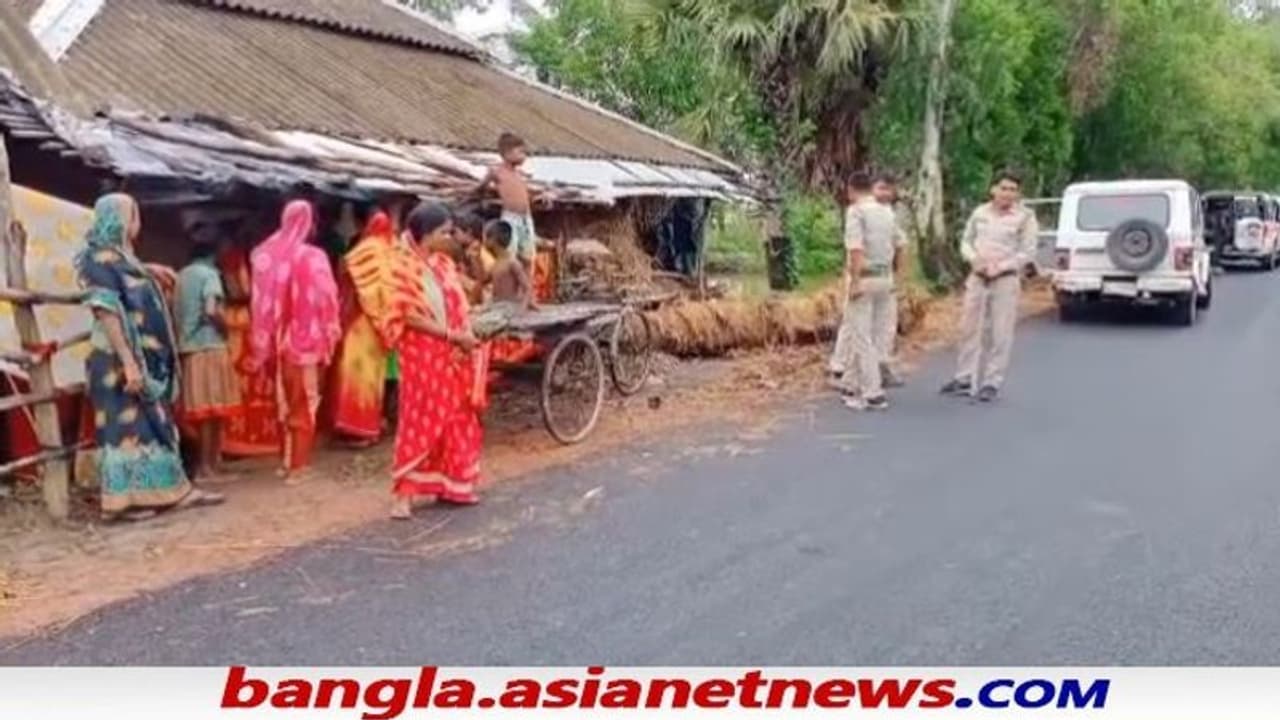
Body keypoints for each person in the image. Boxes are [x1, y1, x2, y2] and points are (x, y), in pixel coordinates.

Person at [77, 193, 223, 520]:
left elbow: (128, 276)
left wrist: (148, 269)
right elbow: (107, 312)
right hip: (116, 362)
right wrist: (129, 363)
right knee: (124, 432)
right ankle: (123, 505)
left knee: (155, 428)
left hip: (142, 363)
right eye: (134, 214)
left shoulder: (120, 259)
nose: (137, 222)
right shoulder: (97, 259)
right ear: (118, 220)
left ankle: (169, 493)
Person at [389, 201, 486, 518]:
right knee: (419, 419)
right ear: (426, 234)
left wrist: (466, 336)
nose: (450, 237)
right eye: (445, 232)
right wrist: (452, 335)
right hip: (422, 357)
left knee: (458, 417)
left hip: (453, 356)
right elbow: (409, 316)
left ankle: (455, 484)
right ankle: (404, 494)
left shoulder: (443, 264)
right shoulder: (403, 267)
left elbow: (459, 304)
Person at [250, 200, 342, 483]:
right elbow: (327, 298)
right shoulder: (312, 256)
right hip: (305, 341)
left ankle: (285, 461)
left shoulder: (264, 254)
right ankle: (298, 467)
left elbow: (259, 302)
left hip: (275, 340)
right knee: (305, 402)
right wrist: (330, 330)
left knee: (283, 403)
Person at [940, 169, 1039, 403]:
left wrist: (1002, 266)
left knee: (1000, 331)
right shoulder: (980, 212)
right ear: (993, 189)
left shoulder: (1025, 217)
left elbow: (1027, 252)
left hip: (1005, 279)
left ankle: (992, 381)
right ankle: (964, 377)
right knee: (968, 328)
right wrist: (974, 259)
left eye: (1013, 190)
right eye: (1003, 188)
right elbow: (966, 241)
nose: (1007, 194)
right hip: (978, 276)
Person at [833, 172, 902, 411]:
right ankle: (850, 383)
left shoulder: (856, 211)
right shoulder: (887, 211)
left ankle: (873, 393)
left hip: (866, 276)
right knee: (871, 331)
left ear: (851, 190)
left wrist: (855, 282)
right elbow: (901, 245)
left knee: (862, 336)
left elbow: (856, 249)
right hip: (885, 277)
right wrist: (897, 275)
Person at [175, 230, 240, 480]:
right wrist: (225, 328)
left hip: (189, 350)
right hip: (210, 346)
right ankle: (208, 467)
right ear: (213, 255)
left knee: (202, 411)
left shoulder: (181, 276)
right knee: (213, 412)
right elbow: (212, 309)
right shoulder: (210, 274)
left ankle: (208, 465)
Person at [331, 211, 400, 446]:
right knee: (371, 379)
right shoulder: (391, 253)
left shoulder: (360, 251)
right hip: (376, 325)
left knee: (353, 377)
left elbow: (345, 281)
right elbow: (389, 294)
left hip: (357, 323)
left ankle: (353, 428)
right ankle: (367, 429)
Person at [218, 226, 281, 458]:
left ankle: (238, 441)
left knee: (248, 382)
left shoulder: (235, 259)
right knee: (250, 382)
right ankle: (244, 439)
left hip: (244, 322)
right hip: (249, 322)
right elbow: (242, 291)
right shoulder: (245, 260)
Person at [477, 132, 539, 275]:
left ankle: (526, 287)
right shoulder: (497, 172)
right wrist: (483, 197)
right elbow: (482, 186)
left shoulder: (519, 175)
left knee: (528, 256)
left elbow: (525, 195)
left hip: (526, 218)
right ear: (507, 153)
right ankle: (509, 287)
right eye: (521, 152)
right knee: (510, 254)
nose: (524, 156)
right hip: (511, 218)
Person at [873, 173, 907, 388]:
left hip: (885, 275)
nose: (885, 193)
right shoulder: (859, 212)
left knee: (886, 325)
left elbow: (901, 245)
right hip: (864, 274)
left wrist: (900, 276)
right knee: (858, 326)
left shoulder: (890, 215)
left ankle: (882, 366)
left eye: (889, 189)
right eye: (880, 188)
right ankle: (847, 370)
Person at [484, 220, 534, 307]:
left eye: (486, 238)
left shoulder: (512, 263)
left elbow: (527, 288)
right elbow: (482, 280)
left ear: (493, 240)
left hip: (509, 307)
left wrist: (522, 308)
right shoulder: (495, 264)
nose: (484, 242)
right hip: (497, 306)